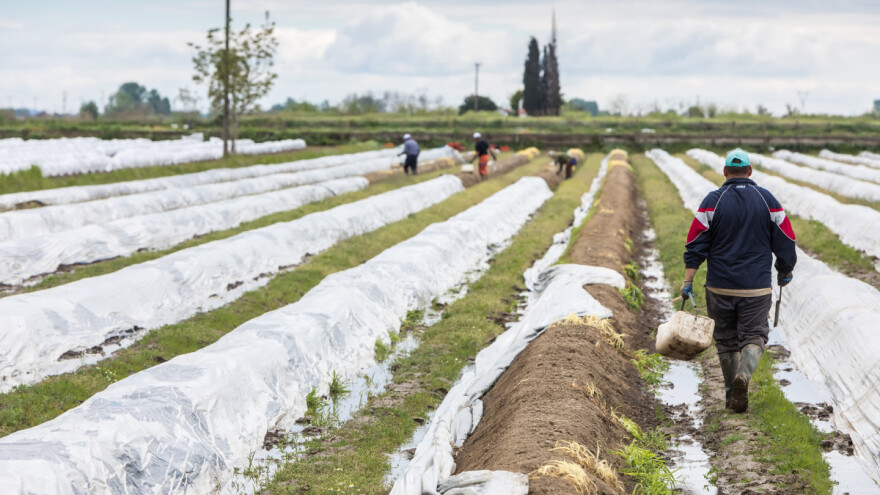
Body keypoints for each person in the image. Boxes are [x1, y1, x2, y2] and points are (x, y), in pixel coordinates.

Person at [680, 149, 796, 413]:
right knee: (754, 335)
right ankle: (744, 374)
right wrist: (785, 269)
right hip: (756, 287)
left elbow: (695, 243)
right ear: (750, 171)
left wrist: (688, 280)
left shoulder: (712, 201)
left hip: (719, 286)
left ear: (724, 172)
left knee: (726, 341)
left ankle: (732, 394)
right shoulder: (767, 200)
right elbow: (786, 240)